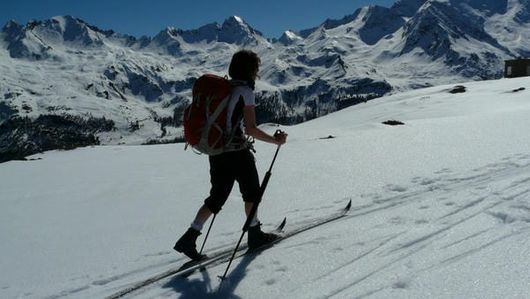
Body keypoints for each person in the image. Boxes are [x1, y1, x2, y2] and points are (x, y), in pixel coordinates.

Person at [174, 49, 288, 261]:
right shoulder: (245, 91)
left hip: (216, 151)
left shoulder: (224, 88)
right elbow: (251, 128)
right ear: (251, 70)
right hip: (237, 152)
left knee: (217, 197)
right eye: (256, 68)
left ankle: (189, 237)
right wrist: (275, 141)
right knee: (252, 193)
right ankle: (254, 234)